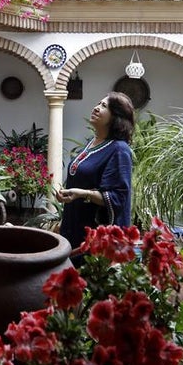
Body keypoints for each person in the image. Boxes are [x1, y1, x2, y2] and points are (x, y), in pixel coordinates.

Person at [56, 92, 135, 262]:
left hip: (94, 236)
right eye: (98, 103)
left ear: (116, 117)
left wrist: (83, 194)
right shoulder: (92, 143)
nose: (96, 108)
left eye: (104, 106)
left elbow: (118, 197)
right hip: (74, 225)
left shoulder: (119, 150)